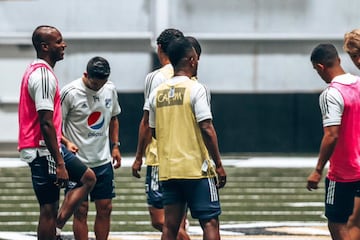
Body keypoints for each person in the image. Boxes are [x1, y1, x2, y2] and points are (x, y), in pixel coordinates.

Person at [18, 25, 96, 240]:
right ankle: (58, 225)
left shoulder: (39, 71)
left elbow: (45, 121)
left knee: (85, 180)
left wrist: (62, 143)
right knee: (49, 209)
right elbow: (44, 122)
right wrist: (60, 162)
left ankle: (57, 226)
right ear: (45, 47)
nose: (64, 45)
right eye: (59, 41)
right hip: (42, 149)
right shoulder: (43, 76)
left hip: (44, 147)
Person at [148, 36, 227, 240]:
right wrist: (218, 164)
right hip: (196, 169)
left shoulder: (157, 93)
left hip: (168, 169)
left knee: (170, 226)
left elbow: (154, 131)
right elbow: (207, 128)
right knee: (209, 222)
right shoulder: (196, 89)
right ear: (192, 59)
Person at [131, 28, 190, 239]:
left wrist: (139, 156)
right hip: (187, 156)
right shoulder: (190, 76)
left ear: (159, 48)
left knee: (161, 220)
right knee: (177, 221)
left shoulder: (156, 77)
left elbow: (147, 122)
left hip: (161, 156)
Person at [60, 56, 121, 240]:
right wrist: (66, 143)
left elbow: (114, 118)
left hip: (102, 160)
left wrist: (115, 146)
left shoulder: (109, 89)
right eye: (95, 84)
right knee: (81, 210)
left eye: (102, 84)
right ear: (86, 75)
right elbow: (54, 126)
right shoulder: (70, 92)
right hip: (78, 163)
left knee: (105, 208)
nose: (98, 88)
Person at [306, 43, 360, 240]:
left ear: (320, 67)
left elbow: (332, 135)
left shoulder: (331, 94)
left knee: (336, 223)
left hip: (344, 172)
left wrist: (318, 169)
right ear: (338, 60)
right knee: (356, 223)